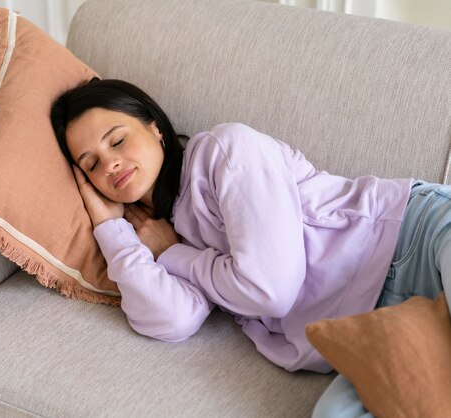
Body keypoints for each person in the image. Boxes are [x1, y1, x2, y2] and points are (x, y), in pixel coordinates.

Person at [50, 78, 451, 416]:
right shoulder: (155, 235)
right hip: (369, 327)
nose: (110, 165)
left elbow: (270, 291)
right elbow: (172, 320)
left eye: (117, 141)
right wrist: (110, 229)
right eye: (91, 165)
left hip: (416, 239)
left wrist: (174, 255)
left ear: (155, 127)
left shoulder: (225, 151)